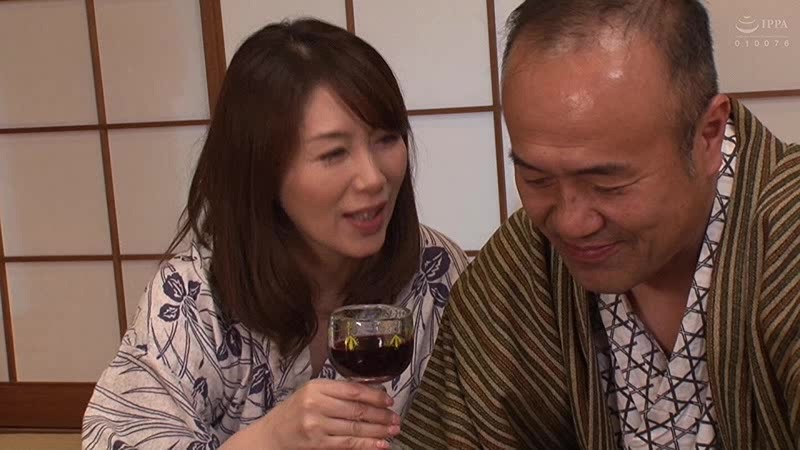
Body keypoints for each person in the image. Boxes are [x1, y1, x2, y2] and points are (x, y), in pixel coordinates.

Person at [399, 1, 799, 449]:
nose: (571, 223)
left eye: (608, 184)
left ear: (708, 135)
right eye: (537, 178)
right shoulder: (527, 261)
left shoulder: (788, 229)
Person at [82, 19, 468, 450]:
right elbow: (118, 438)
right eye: (334, 153)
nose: (373, 177)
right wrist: (272, 438)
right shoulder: (193, 297)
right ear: (263, 170)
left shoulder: (436, 270)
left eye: (386, 139)